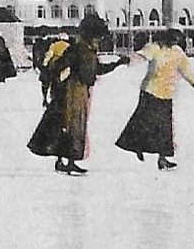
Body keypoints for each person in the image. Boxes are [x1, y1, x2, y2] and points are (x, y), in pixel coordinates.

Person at [28, 31, 128, 174]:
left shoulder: (87, 51)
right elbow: (58, 66)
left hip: (80, 91)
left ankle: (66, 161)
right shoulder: (77, 50)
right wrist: (55, 82)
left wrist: (118, 63)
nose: (98, 41)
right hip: (73, 91)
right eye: (96, 37)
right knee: (73, 126)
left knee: (73, 126)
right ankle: (67, 161)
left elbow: (98, 69)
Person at [115, 30, 194, 171]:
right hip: (150, 91)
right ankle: (137, 146)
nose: (174, 42)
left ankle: (162, 159)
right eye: (172, 39)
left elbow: (186, 71)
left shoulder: (178, 53)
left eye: (177, 40)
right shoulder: (155, 47)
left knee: (164, 129)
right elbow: (141, 55)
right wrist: (128, 60)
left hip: (166, 93)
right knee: (143, 122)